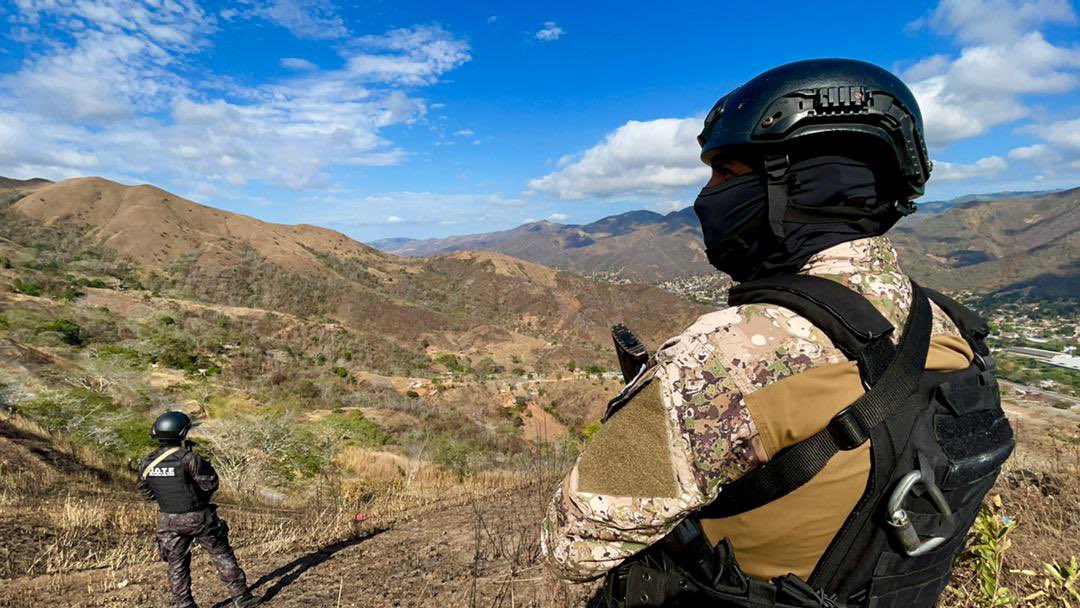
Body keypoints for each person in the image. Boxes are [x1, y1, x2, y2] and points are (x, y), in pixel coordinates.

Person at [541, 58, 1014, 608]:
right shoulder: (948, 323)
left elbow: (571, 546)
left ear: (804, 181)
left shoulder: (728, 353)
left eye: (727, 173)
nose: (705, 194)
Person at [137, 411, 262, 608]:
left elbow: (147, 494)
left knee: (176, 564)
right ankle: (241, 596)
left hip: (167, 520)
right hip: (198, 516)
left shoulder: (146, 463)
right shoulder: (189, 458)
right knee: (221, 554)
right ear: (182, 433)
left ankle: (184, 604)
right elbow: (210, 484)